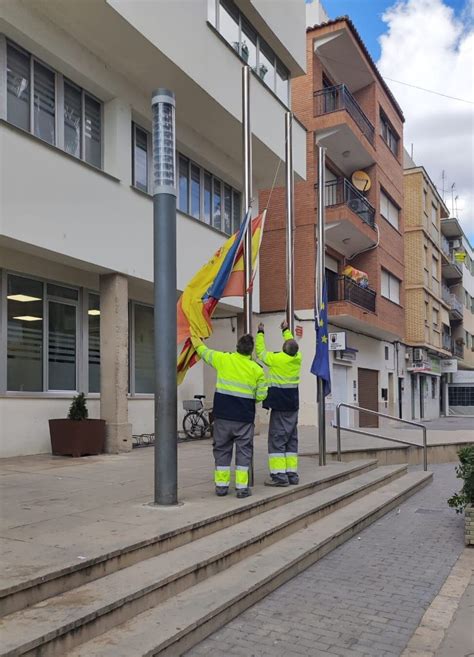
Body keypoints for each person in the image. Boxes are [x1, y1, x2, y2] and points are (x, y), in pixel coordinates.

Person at [191, 334, 267, 498]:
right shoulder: (257, 369)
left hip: (223, 416)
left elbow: (204, 352)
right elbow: (261, 396)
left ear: (237, 347)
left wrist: (195, 339)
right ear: (251, 352)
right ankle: (241, 488)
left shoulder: (224, 359)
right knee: (244, 452)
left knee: (222, 450)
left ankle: (221, 487)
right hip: (244, 419)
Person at [255, 320, 302, 486]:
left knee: (277, 440)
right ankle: (292, 474)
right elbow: (291, 343)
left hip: (280, 406)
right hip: (293, 406)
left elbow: (260, 352)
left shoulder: (276, 359)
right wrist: (286, 330)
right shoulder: (297, 358)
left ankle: (279, 477)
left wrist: (260, 332)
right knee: (291, 440)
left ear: (283, 349)